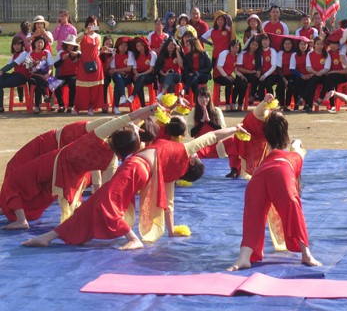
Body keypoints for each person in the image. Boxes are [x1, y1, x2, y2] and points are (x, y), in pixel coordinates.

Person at [22, 123, 243, 250]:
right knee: (95, 203)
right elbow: (170, 205)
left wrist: (235, 128)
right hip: (132, 168)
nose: (195, 155)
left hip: (134, 169)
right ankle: (50, 236)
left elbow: (211, 136)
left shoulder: (183, 154)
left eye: (196, 159)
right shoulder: (171, 169)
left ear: (191, 164)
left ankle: (133, 239)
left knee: (105, 203)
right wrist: (172, 230)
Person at [1, 105, 158, 230]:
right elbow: (105, 189)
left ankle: (21, 219)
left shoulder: (98, 134)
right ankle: (18, 211)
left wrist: (151, 108)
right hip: (72, 177)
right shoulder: (111, 161)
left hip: (56, 161)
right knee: (42, 190)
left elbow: (124, 119)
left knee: (14, 179)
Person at [227, 113, 321, 270]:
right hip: (280, 172)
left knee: (253, 216)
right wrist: (297, 142)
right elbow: (297, 146)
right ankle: (306, 254)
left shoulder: (268, 156)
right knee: (293, 211)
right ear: (285, 133)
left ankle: (243, 257)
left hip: (259, 175)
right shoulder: (295, 155)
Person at [188, 86, 241, 178]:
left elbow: (222, 129)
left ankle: (235, 170)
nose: (204, 99)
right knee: (188, 153)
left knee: (233, 142)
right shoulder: (193, 112)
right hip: (200, 147)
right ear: (196, 99)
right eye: (200, 97)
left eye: (206, 97)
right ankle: (189, 174)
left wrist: (209, 121)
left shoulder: (217, 111)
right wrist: (202, 121)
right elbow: (191, 133)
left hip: (216, 146)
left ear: (209, 98)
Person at [74, 15, 104, 115]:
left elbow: (98, 49)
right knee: (81, 86)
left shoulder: (98, 36)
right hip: (84, 63)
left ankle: (92, 107)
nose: (92, 25)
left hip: (96, 63)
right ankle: (78, 107)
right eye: (90, 23)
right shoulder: (83, 34)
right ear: (87, 24)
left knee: (95, 87)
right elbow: (75, 41)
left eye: (94, 24)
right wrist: (86, 32)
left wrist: (102, 51)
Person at [214, 40, 247, 112]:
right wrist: (226, 76)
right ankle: (227, 104)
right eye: (234, 47)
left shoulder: (237, 56)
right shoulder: (224, 53)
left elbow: (234, 69)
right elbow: (219, 67)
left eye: (237, 47)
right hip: (218, 75)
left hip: (228, 75)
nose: (235, 49)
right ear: (230, 47)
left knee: (240, 82)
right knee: (229, 82)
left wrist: (240, 75)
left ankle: (235, 103)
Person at [0, 36, 30, 113]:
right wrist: (1, 71)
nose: (16, 46)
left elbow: (12, 65)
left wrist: (1, 71)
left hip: (22, 77)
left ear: (22, 45)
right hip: (15, 75)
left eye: (18, 44)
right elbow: (8, 65)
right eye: (14, 44)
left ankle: (0, 107)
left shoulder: (24, 53)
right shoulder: (15, 54)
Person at [126, 37, 157, 107]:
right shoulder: (135, 55)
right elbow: (134, 69)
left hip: (150, 76)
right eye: (138, 46)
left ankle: (133, 96)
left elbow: (151, 69)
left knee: (141, 78)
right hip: (140, 76)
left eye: (141, 45)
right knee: (139, 81)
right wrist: (137, 74)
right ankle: (143, 105)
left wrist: (140, 75)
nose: (140, 47)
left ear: (145, 45)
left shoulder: (152, 54)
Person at [303, 36, 330, 112]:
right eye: (317, 44)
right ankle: (309, 105)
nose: (319, 46)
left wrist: (318, 73)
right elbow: (308, 67)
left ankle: (304, 99)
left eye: (321, 44)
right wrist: (315, 73)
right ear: (314, 45)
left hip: (324, 76)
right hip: (314, 75)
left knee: (313, 79)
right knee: (312, 81)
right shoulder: (310, 54)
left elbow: (327, 68)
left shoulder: (326, 54)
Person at [28, 36, 54, 114]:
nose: (40, 44)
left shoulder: (47, 52)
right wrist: (40, 75)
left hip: (45, 75)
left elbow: (50, 66)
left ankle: (37, 106)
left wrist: (47, 74)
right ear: (34, 43)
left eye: (42, 42)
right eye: (38, 42)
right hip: (34, 75)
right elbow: (29, 70)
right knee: (37, 80)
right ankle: (45, 95)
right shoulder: (30, 54)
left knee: (39, 83)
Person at [54, 34, 80, 114]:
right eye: (69, 45)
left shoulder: (78, 53)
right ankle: (61, 105)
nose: (71, 47)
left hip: (74, 75)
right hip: (63, 75)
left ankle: (70, 105)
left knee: (73, 83)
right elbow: (55, 65)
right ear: (66, 45)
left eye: (73, 45)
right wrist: (62, 59)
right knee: (55, 85)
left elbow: (84, 61)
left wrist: (78, 56)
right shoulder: (61, 53)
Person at [109, 37, 134, 114]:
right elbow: (112, 69)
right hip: (117, 76)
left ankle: (116, 106)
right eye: (122, 45)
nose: (123, 47)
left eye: (125, 45)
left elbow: (129, 69)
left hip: (128, 77)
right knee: (118, 77)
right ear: (118, 46)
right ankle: (122, 97)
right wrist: (120, 72)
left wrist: (118, 71)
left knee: (117, 84)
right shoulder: (114, 54)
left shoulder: (130, 54)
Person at [154, 36, 185, 101]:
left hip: (177, 76)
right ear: (166, 45)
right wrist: (164, 74)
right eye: (169, 44)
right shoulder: (162, 55)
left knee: (171, 75)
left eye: (173, 45)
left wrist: (177, 52)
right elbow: (158, 68)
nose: (171, 46)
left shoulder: (178, 54)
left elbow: (181, 65)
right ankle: (170, 103)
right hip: (164, 76)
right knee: (171, 83)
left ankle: (162, 93)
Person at [237, 36, 262, 105]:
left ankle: (252, 95)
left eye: (256, 45)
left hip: (252, 74)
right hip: (242, 74)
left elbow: (260, 66)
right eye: (252, 44)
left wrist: (259, 71)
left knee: (256, 77)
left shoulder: (258, 55)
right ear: (249, 44)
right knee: (243, 83)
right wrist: (250, 72)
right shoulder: (242, 53)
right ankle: (240, 103)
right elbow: (239, 68)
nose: (254, 46)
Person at [276, 37, 298, 111]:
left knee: (291, 85)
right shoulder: (280, 53)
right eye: (286, 44)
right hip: (282, 75)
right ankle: (282, 105)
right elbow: (279, 68)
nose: (287, 45)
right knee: (280, 86)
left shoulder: (295, 53)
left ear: (292, 45)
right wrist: (283, 78)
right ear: (283, 45)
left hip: (292, 74)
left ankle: (288, 104)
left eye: (289, 44)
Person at [290, 39, 311, 110]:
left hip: (310, 74)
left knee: (309, 83)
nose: (303, 46)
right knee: (297, 82)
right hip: (299, 75)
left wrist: (310, 74)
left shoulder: (310, 53)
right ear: (298, 45)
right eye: (301, 44)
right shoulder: (294, 55)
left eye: (305, 44)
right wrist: (301, 75)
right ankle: (297, 104)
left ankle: (307, 104)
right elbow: (292, 69)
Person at [256, 34, 279, 99]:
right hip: (262, 74)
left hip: (272, 74)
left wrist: (265, 75)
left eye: (267, 40)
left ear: (269, 41)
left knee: (268, 83)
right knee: (261, 83)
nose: (265, 42)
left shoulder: (272, 51)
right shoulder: (258, 51)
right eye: (263, 40)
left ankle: (271, 102)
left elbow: (274, 66)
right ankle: (261, 103)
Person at [99, 35, 115, 114]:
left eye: (110, 44)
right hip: (99, 74)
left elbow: (111, 69)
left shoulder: (113, 53)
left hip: (108, 74)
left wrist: (109, 63)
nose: (108, 46)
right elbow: (98, 66)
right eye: (107, 44)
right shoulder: (99, 52)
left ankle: (105, 104)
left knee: (105, 83)